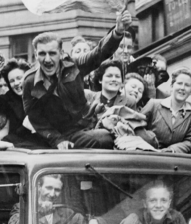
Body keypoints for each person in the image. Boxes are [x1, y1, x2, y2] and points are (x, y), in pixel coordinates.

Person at [22, 10, 132, 150]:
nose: (47, 60)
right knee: (103, 139)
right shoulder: (29, 82)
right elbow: (35, 118)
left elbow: (98, 53)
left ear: (61, 54)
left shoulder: (74, 66)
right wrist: (57, 140)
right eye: (42, 54)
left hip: (86, 125)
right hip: (58, 135)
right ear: (36, 55)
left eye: (52, 53)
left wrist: (117, 31)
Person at [0, 58, 49, 148]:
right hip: (18, 145)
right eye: (12, 81)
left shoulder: (43, 92)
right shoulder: (10, 99)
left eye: (19, 78)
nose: (16, 83)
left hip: (46, 144)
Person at [141, 68, 191, 153]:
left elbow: (190, 140)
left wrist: (171, 150)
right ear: (172, 86)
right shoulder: (154, 104)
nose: (182, 88)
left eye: (187, 85)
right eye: (179, 83)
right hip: (149, 155)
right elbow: (137, 126)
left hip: (174, 158)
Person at [8, 174, 86, 224]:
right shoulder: (22, 207)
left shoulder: (69, 213)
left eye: (57, 190)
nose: (52, 194)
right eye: (49, 188)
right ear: (39, 187)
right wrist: (39, 212)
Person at [85, 60, 137, 125]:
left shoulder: (129, 101)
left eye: (117, 76)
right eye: (109, 76)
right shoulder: (88, 96)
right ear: (100, 80)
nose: (114, 79)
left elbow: (130, 126)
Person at [119, 181, 187, 224]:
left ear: (169, 203)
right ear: (145, 203)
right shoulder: (133, 221)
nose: (158, 205)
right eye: (153, 200)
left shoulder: (178, 219)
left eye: (163, 200)